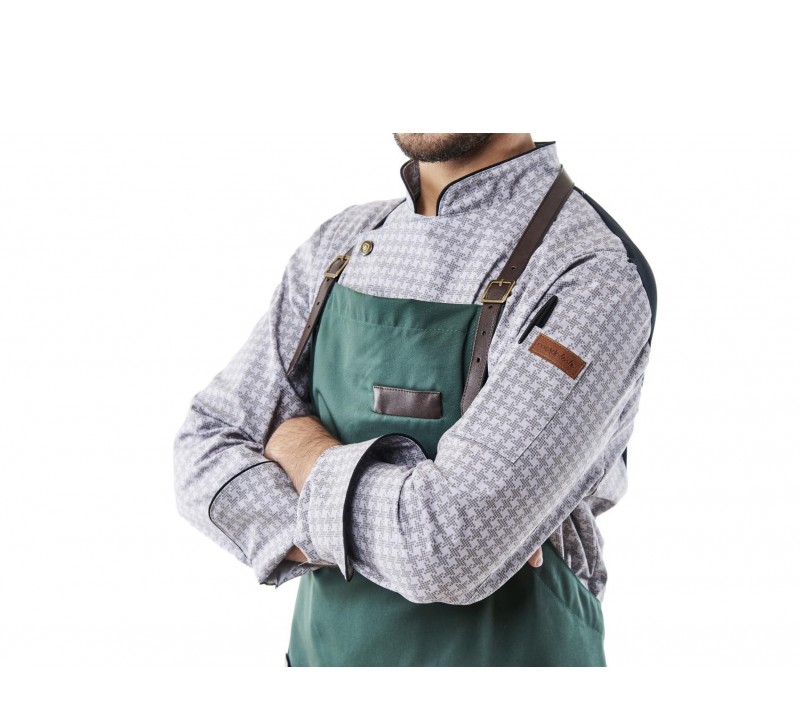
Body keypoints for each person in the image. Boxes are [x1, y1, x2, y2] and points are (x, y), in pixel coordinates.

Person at [173, 134, 657, 667]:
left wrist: (295, 445)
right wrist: (401, 529)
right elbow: (203, 448)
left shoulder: (594, 274)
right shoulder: (339, 243)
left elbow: (445, 548)